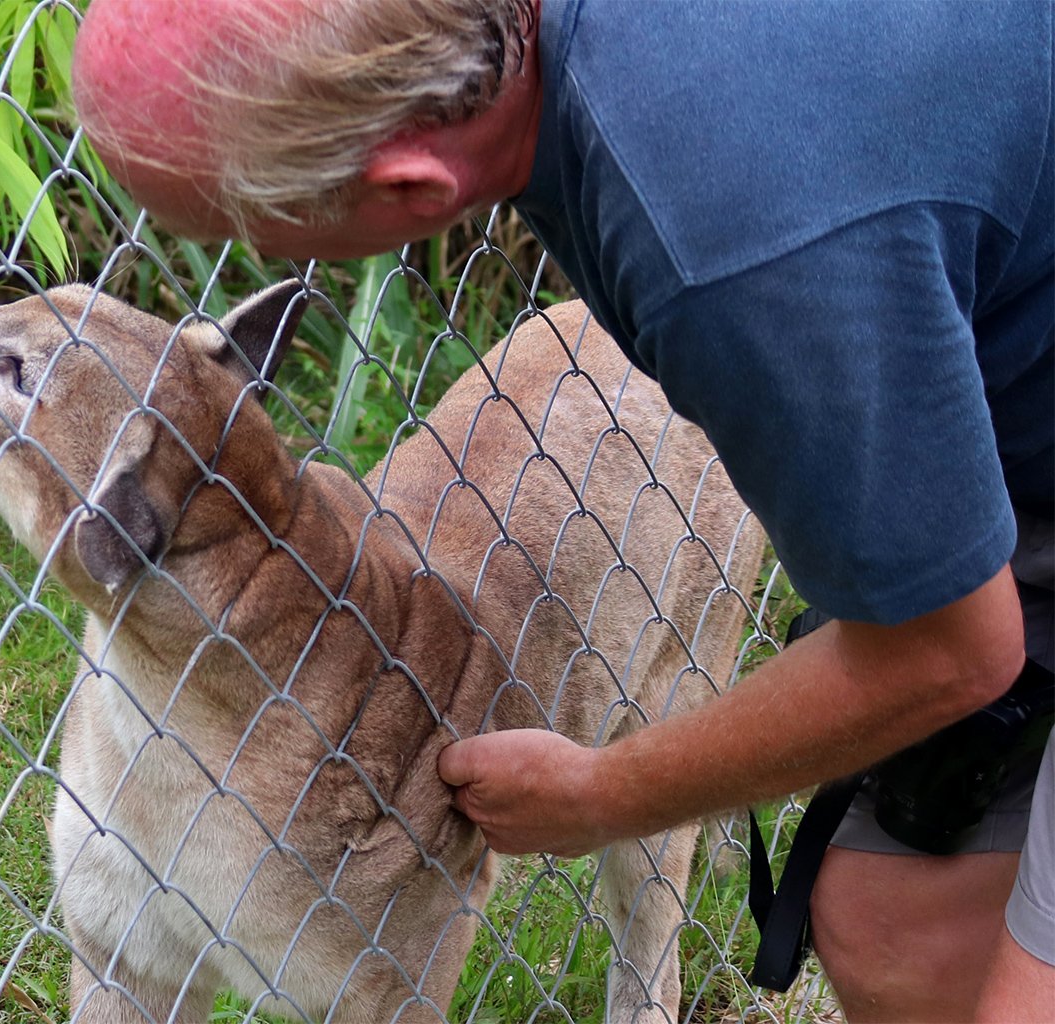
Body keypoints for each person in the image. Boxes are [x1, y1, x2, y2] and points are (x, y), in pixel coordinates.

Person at [70, 1, 1054, 1020]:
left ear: (411, 188)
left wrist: (602, 793)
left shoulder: (725, 241)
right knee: (886, 925)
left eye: (248, 231)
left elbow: (950, 650)